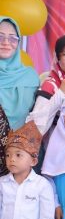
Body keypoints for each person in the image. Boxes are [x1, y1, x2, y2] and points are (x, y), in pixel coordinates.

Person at [0, 17, 39, 176]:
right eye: (0, 37)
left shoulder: (30, 76)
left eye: (12, 38)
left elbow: (37, 118)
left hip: (19, 158)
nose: (6, 43)